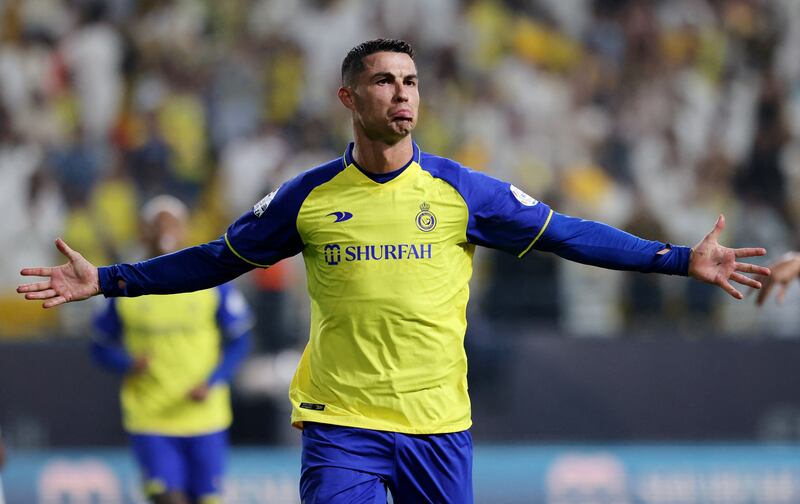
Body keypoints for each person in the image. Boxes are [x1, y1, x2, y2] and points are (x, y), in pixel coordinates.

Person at [19, 39, 770, 503]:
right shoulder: (308, 198)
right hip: (342, 422)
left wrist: (677, 260)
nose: (403, 92)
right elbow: (218, 258)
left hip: (440, 423)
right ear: (350, 97)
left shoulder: (461, 192)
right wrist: (111, 280)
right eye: (385, 81)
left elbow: (567, 234)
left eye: (410, 81)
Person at [89, 195, 252, 504]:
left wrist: (214, 380)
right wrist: (127, 363)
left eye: (172, 223)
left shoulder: (211, 280)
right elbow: (99, 345)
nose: (164, 230)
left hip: (205, 416)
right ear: (142, 232)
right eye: (156, 224)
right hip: (151, 416)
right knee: (168, 499)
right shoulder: (124, 285)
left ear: (185, 229)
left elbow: (241, 339)